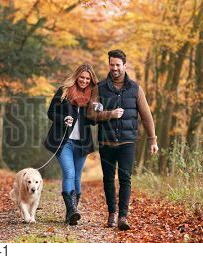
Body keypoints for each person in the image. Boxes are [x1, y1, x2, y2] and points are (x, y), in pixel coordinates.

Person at [87, 49, 159, 230]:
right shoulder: (99, 88)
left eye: (118, 65)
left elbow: (147, 116)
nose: (115, 68)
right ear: (109, 65)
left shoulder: (135, 89)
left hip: (127, 142)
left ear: (124, 66)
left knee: (126, 179)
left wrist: (153, 140)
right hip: (106, 142)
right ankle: (112, 214)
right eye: (112, 64)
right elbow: (90, 115)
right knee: (108, 179)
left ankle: (123, 217)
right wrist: (110, 114)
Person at [44, 64, 99, 225]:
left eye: (87, 79)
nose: (84, 80)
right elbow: (51, 112)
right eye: (82, 77)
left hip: (82, 143)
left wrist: (97, 111)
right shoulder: (64, 90)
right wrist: (63, 119)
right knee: (69, 173)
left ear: (91, 80)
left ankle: (71, 213)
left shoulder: (93, 96)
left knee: (77, 176)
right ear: (76, 76)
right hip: (63, 141)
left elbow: (93, 121)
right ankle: (72, 210)